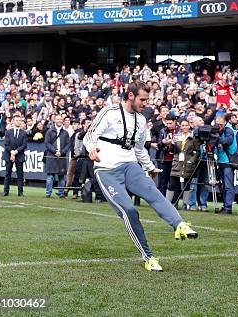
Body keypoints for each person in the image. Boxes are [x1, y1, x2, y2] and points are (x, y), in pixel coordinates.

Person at [83, 81, 198, 272]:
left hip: (130, 165)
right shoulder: (110, 112)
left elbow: (138, 149)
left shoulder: (141, 120)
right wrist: (91, 149)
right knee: (129, 210)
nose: (146, 103)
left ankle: (179, 224)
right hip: (106, 169)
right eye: (142, 99)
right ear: (130, 96)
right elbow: (90, 135)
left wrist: (150, 167)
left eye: (147, 99)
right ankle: (148, 257)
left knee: (153, 192)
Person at [44, 114, 71, 198]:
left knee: (61, 177)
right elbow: (47, 143)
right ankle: (48, 193)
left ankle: (61, 193)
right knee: (50, 176)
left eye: (60, 119)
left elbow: (68, 144)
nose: (59, 120)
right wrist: (55, 151)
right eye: (58, 119)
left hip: (61, 157)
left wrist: (62, 152)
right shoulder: (49, 131)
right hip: (51, 156)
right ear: (54, 120)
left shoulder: (65, 133)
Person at [3, 114, 27, 197]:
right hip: (8, 155)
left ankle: (20, 192)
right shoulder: (8, 132)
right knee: (7, 174)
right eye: (16, 120)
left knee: (20, 175)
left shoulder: (24, 133)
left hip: (19, 155)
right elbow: (6, 144)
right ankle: (6, 191)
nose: (18, 122)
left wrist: (15, 152)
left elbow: (24, 145)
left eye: (19, 120)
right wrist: (11, 152)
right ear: (13, 121)